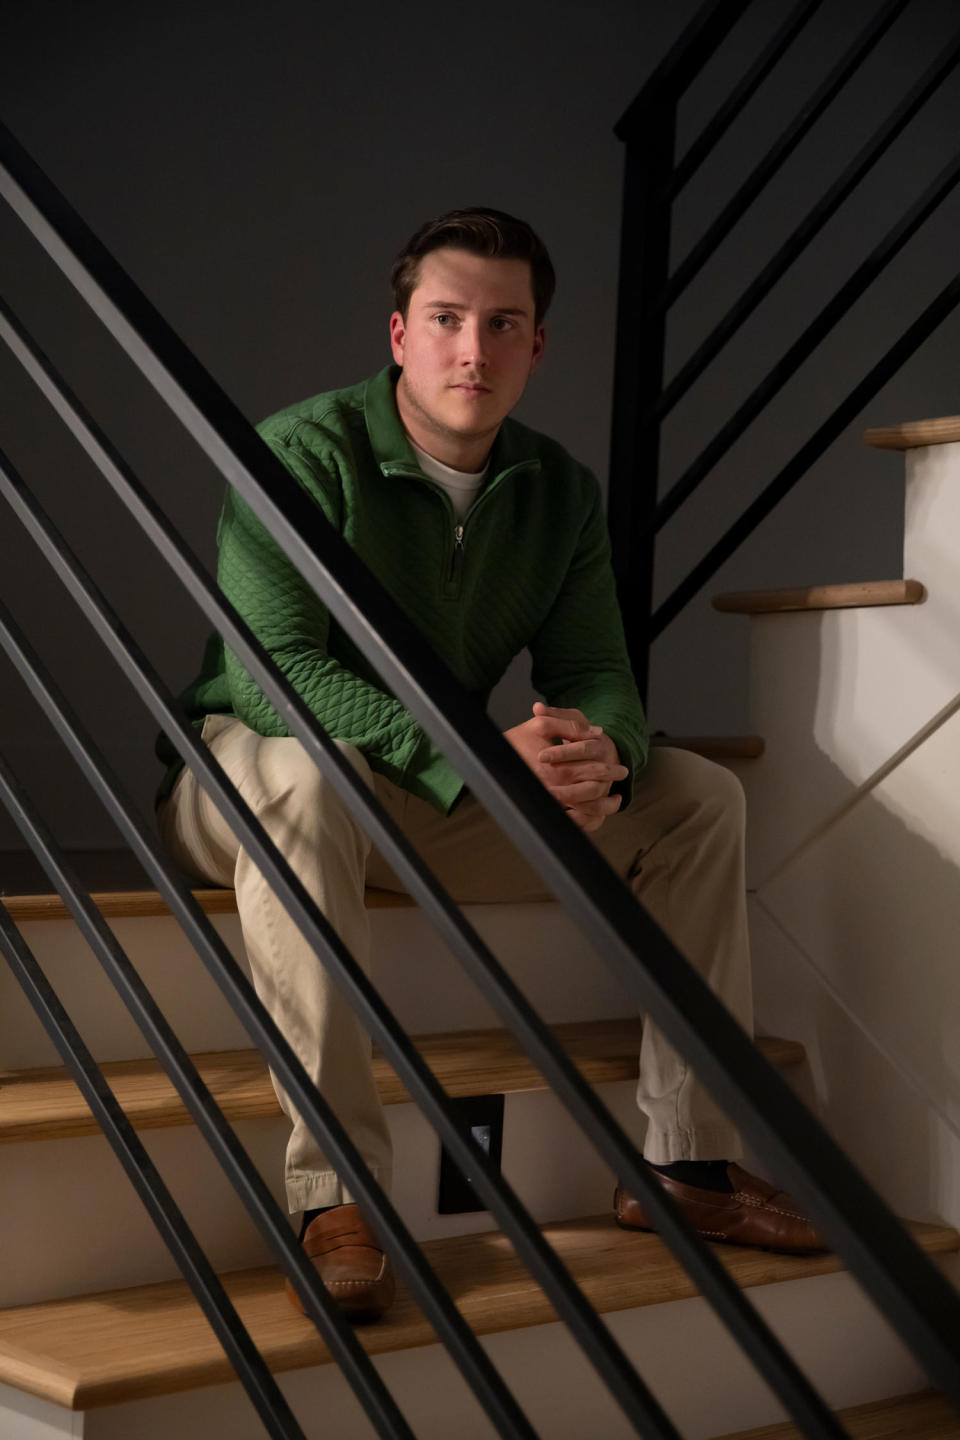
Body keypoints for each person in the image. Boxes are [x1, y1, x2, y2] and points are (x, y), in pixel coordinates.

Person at [157, 207, 824, 1324]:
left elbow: (598, 667)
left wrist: (603, 752)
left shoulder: (555, 491)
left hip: (425, 794)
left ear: (535, 345)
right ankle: (337, 1190)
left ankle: (685, 1166)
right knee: (305, 771)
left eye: (502, 323)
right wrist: (475, 757)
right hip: (251, 777)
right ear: (401, 332)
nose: (474, 348)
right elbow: (276, 672)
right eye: (448, 318)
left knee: (700, 797)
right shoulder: (298, 452)